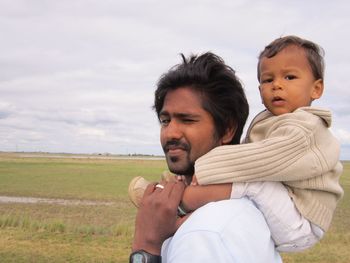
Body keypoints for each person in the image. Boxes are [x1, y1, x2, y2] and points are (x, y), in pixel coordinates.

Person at [177, 35, 344, 252]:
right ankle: (179, 188)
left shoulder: (307, 128)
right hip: (284, 204)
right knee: (243, 180)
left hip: (303, 221)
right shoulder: (266, 120)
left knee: (252, 181)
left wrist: (205, 166)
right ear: (259, 90)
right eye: (267, 80)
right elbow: (243, 154)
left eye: (290, 77)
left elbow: (263, 159)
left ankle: (180, 203)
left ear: (316, 89)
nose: (277, 85)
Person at [129, 52, 282, 262]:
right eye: (165, 120)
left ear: (228, 129)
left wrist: (145, 247)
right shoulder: (238, 207)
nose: (170, 132)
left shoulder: (204, 234)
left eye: (188, 120)